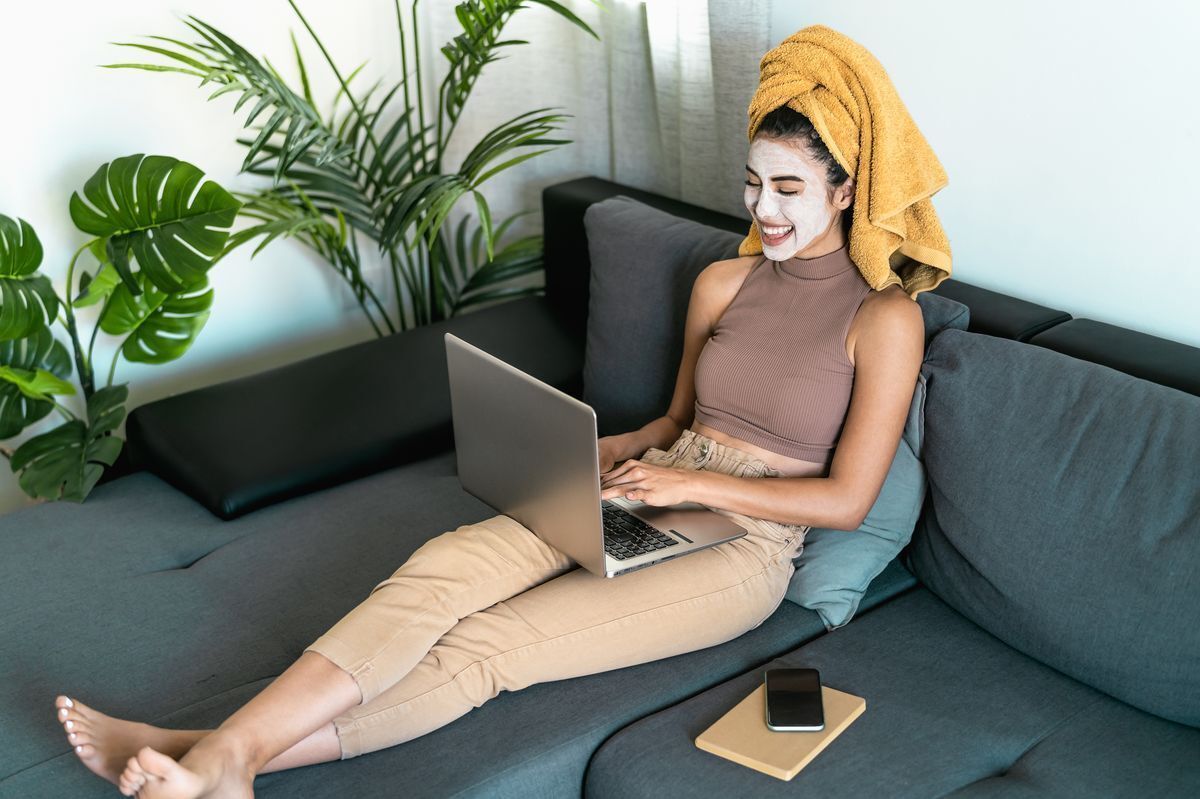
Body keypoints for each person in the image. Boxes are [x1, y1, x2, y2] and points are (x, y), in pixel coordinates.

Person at [52, 35, 944, 799]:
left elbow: (849, 500)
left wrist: (685, 477)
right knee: (441, 568)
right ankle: (221, 758)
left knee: (491, 646)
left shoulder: (884, 317)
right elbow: (676, 416)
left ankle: (213, 755)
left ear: (845, 188)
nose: (762, 209)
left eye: (788, 188)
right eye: (752, 183)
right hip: (647, 488)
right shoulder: (723, 280)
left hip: (746, 542)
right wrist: (603, 446)